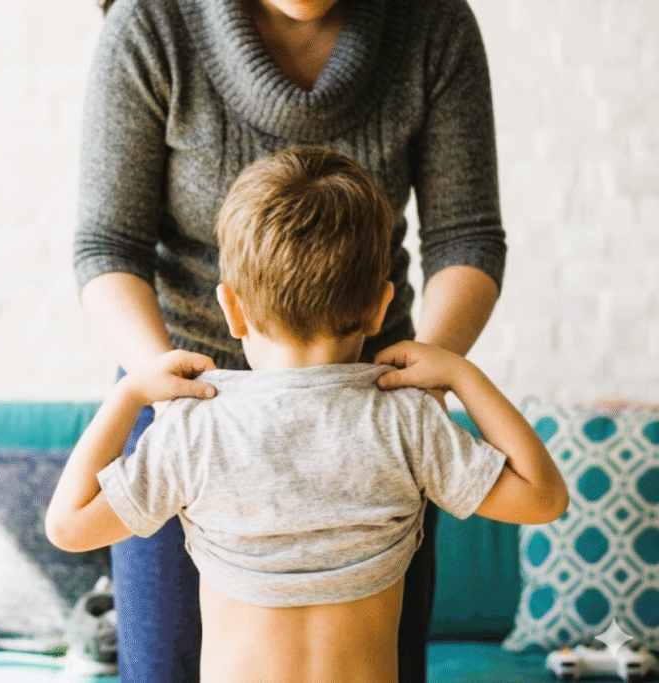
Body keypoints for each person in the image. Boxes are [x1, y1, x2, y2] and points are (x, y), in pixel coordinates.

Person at [73, 0, 507, 680]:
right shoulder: (151, 25)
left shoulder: (433, 24)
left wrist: (432, 376)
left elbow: (466, 237)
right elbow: (107, 247)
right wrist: (150, 390)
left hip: (373, 403)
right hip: (187, 403)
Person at [52, 147, 567, 683]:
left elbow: (68, 527)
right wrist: (462, 374)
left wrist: (129, 394)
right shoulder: (406, 422)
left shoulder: (195, 428)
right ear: (380, 305)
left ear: (232, 309)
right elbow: (544, 497)